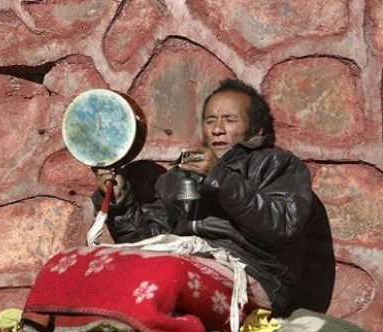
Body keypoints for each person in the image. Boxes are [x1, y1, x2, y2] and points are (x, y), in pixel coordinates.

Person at [90, 78, 329, 319]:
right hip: (183, 265)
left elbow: (282, 226)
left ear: (256, 130)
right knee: (93, 266)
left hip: (251, 277)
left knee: (167, 275)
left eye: (230, 119)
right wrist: (120, 204)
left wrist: (221, 178)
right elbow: (149, 241)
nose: (217, 129)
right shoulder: (183, 176)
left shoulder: (277, 164)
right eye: (210, 120)